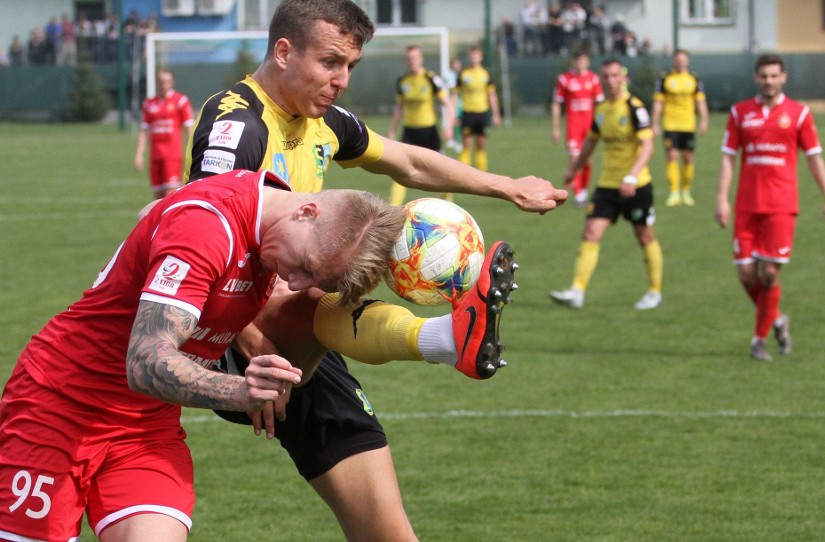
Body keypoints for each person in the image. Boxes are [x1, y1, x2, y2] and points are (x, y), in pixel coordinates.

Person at [183, 1, 567, 540]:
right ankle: (444, 338)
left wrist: (508, 187)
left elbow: (408, 161)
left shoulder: (321, 121)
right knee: (335, 279)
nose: (341, 80)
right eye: (331, 62)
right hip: (233, 334)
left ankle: (446, 339)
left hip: (305, 321)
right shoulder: (237, 126)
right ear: (284, 51)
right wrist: (250, 342)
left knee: (386, 532)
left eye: (351, 67)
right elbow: (200, 242)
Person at [0, 168, 405, 541]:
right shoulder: (208, 225)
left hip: (145, 430)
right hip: (58, 409)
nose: (294, 282)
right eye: (305, 266)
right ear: (307, 212)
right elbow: (144, 361)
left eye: (314, 279)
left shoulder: (271, 219)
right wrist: (238, 391)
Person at [714, 54, 825, 361]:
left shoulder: (799, 114)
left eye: (774, 76)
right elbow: (729, 157)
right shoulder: (740, 112)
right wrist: (721, 197)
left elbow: (814, 157)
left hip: (781, 205)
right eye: (764, 76)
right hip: (747, 205)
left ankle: (759, 339)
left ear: (783, 78)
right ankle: (777, 318)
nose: (769, 81)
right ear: (756, 78)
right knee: (745, 273)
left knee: (769, 273)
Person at [550, 57, 663, 310]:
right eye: (606, 77)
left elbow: (647, 147)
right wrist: (573, 170)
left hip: (637, 185)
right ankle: (577, 291)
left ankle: (654, 291)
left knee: (644, 236)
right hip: (608, 186)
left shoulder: (635, 108)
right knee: (591, 232)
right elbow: (590, 143)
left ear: (624, 78)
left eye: (615, 76)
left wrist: (632, 175)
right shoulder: (600, 110)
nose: (611, 81)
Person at [387, 45, 453, 206]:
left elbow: (448, 104)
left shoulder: (431, 78)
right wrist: (392, 129)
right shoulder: (403, 81)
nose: (412, 61)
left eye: (415, 57)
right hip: (409, 132)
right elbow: (399, 108)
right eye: (409, 58)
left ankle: (448, 204)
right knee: (399, 171)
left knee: (441, 170)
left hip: (429, 131)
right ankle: (392, 210)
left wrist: (449, 126)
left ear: (421, 59)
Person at [651, 49, 709, 207]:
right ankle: (674, 192)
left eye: (683, 59)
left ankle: (686, 191)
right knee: (672, 156)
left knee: (688, 157)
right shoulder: (665, 78)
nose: (680, 62)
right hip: (670, 124)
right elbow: (658, 103)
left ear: (687, 61)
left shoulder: (694, 78)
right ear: (673, 61)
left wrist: (704, 119)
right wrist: (654, 123)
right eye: (677, 59)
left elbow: (700, 101)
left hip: (688, 125)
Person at [551, 50, 603, 206]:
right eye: (577, 60)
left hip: (589, 127)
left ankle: (584, 191)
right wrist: (555, 128)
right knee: (575, 160)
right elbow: (556, 104)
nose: (580, 63)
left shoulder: (593, 79)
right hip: (573, 126)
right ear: (573, 61)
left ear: (588, 62)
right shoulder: (565, 79)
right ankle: (578, 194)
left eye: (583, 60)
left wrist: (602, 125)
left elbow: (601, 104)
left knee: (588, 161)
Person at [135, 69, 194, 200]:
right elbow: (144, 131)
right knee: (157, 197)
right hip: (155, 155)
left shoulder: (180, 101)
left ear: (172, 82)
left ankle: (167, 220)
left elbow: (188, 129)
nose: (164, 85)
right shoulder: (149, 103)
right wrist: (139, 154)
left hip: (172, 155)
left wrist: (193, 151)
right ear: (157, 83)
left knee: (169, 195)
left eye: (166, 81)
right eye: (161, 82)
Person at [452, 45, 502, 171]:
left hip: (482, 113)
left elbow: (492, 95)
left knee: (481, 145)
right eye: (472, 55)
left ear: (481, 57)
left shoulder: (485, 74)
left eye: (477, 55)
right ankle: (461, 175)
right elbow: (454, 94)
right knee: (466, 145)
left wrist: (496, 114)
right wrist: (453, 115)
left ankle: (482, 174)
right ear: (469, 57)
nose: (474, 57)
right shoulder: (463, 73)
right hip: (468, 113)